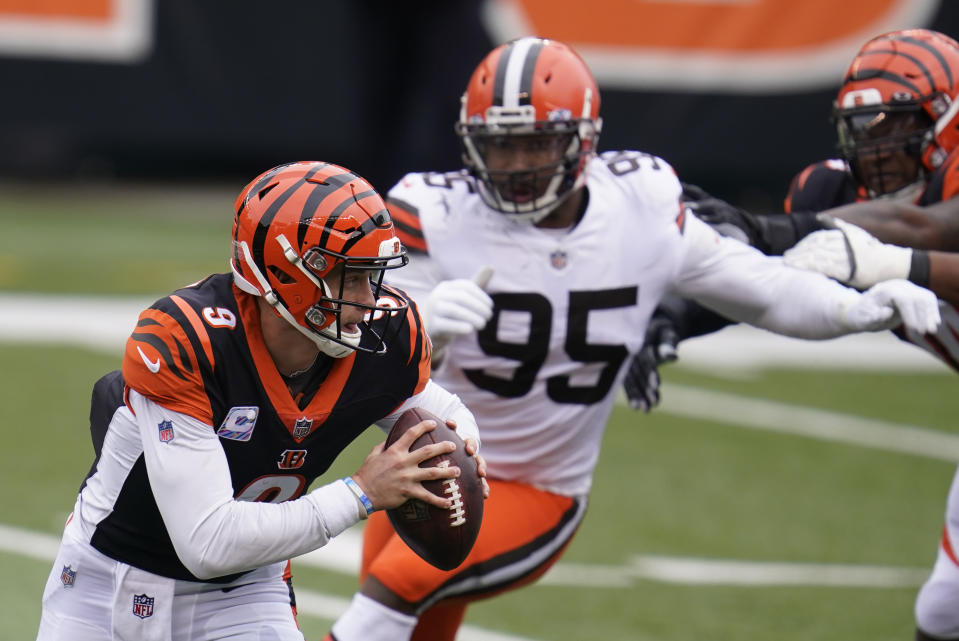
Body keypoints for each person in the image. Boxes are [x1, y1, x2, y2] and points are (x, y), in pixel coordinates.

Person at [323, 37, 942, 641]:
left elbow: (763, 287)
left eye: (535, 142)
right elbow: (358, 348)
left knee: (398, 587)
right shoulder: (431, 209)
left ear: (583, 141)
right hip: (430, 459)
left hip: (540, 488)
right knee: (412, 618)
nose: (514, 166)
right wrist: (427, 323)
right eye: (499, 145)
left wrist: (856, 309)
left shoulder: (639, 208)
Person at [35, 160, 487, 641]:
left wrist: (459, 452)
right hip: (108, 582)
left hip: (245, 594)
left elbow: (442, 412)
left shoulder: (386, 334)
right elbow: (207, 544)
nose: (365, 300)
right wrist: (361, 493)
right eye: (347, 277)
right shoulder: (191, 339)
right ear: (284, 272)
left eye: (370, 276)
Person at [633, 28, 959, 640]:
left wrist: (881, 261)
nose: (876, 147)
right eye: (864, 129)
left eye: (894, 126)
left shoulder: (922, 207)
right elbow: (767, 281)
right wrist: (672, 318)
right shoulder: (833, 192)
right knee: (945, 608)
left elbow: (919, 228)